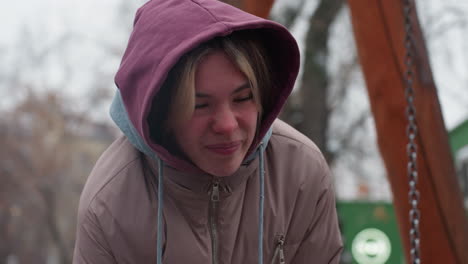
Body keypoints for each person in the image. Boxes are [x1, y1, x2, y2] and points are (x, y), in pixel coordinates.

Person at [73, 0, 343, 263]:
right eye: (199, 105)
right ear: (161, 112)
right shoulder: (110, 202)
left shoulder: (301, 173)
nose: (227, 125)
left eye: (242, 98)